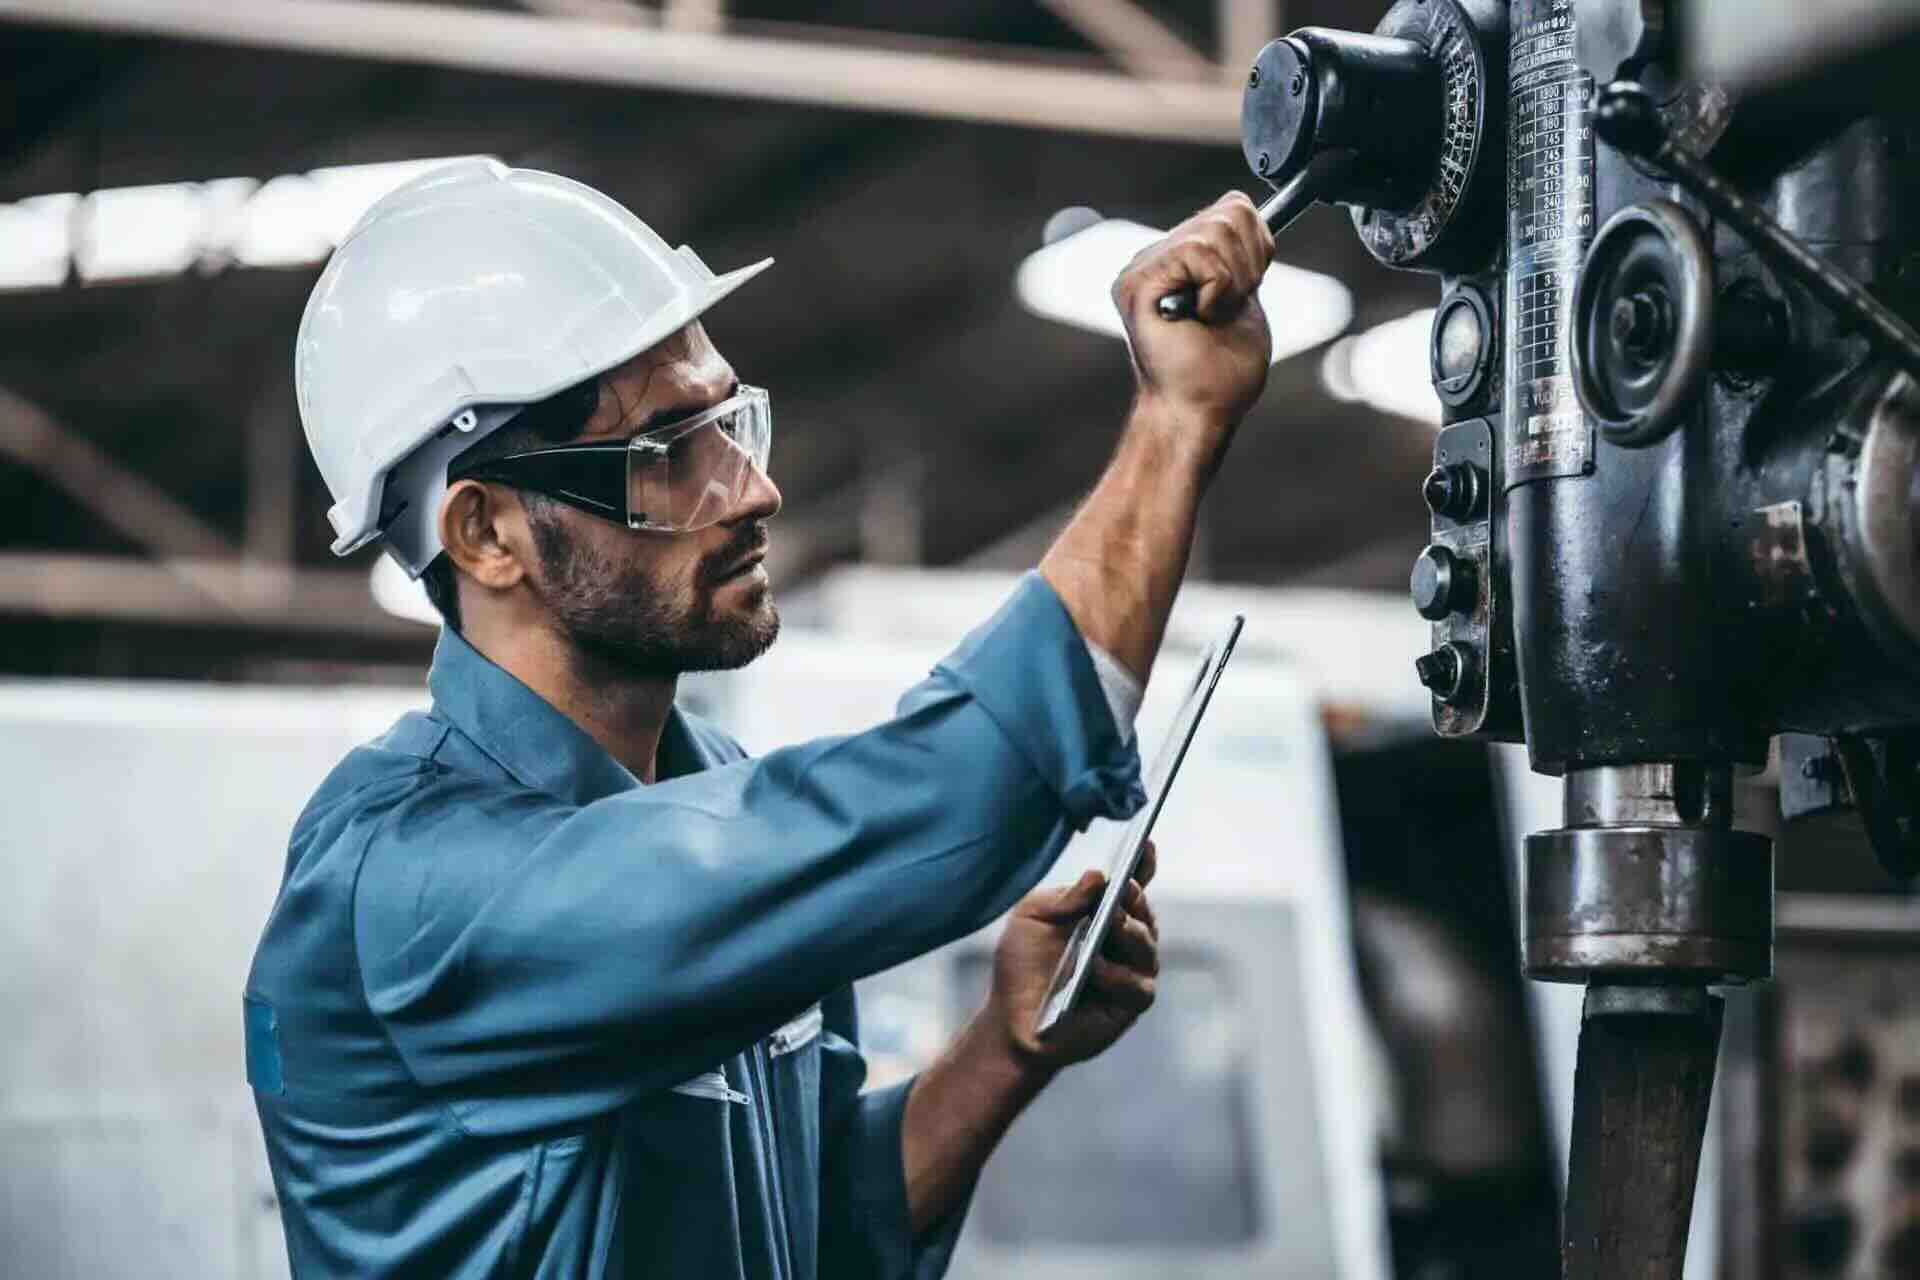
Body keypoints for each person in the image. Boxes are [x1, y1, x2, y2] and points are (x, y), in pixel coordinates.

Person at [245, 159, 1276, 1278]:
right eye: (668, 454)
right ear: (489, 533)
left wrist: (1005, 1047)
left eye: (730, 422)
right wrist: (1174, 422)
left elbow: (815, 1224)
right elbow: (961, 789)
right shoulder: (415, 882)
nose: (749, 489)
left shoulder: (705, 787)